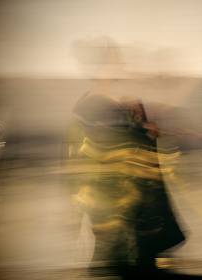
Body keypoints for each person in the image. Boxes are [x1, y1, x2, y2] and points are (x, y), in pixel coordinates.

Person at [64, 92, 186, 279]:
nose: (134, 111)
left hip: (133, 213)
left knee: (126, 249)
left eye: (137, 109)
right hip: (128, 211)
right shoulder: (119, 134)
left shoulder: (126, 134)